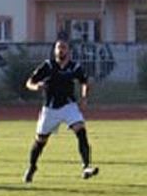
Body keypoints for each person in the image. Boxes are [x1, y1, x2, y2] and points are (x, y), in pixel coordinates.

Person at [23, 40, 99, 183]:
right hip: (50, 109)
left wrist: (84, 97)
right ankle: (32, 167)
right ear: (54, 51)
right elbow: (29, 82)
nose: (61, 50)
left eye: (63, 48)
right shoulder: (48, 65)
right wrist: (36, 86)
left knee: (81, 131)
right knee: (40, 141)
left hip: (68, 106)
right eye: (58, 48)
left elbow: (85, 81)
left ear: (68, 51)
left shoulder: (74, 67)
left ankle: (86, 167)